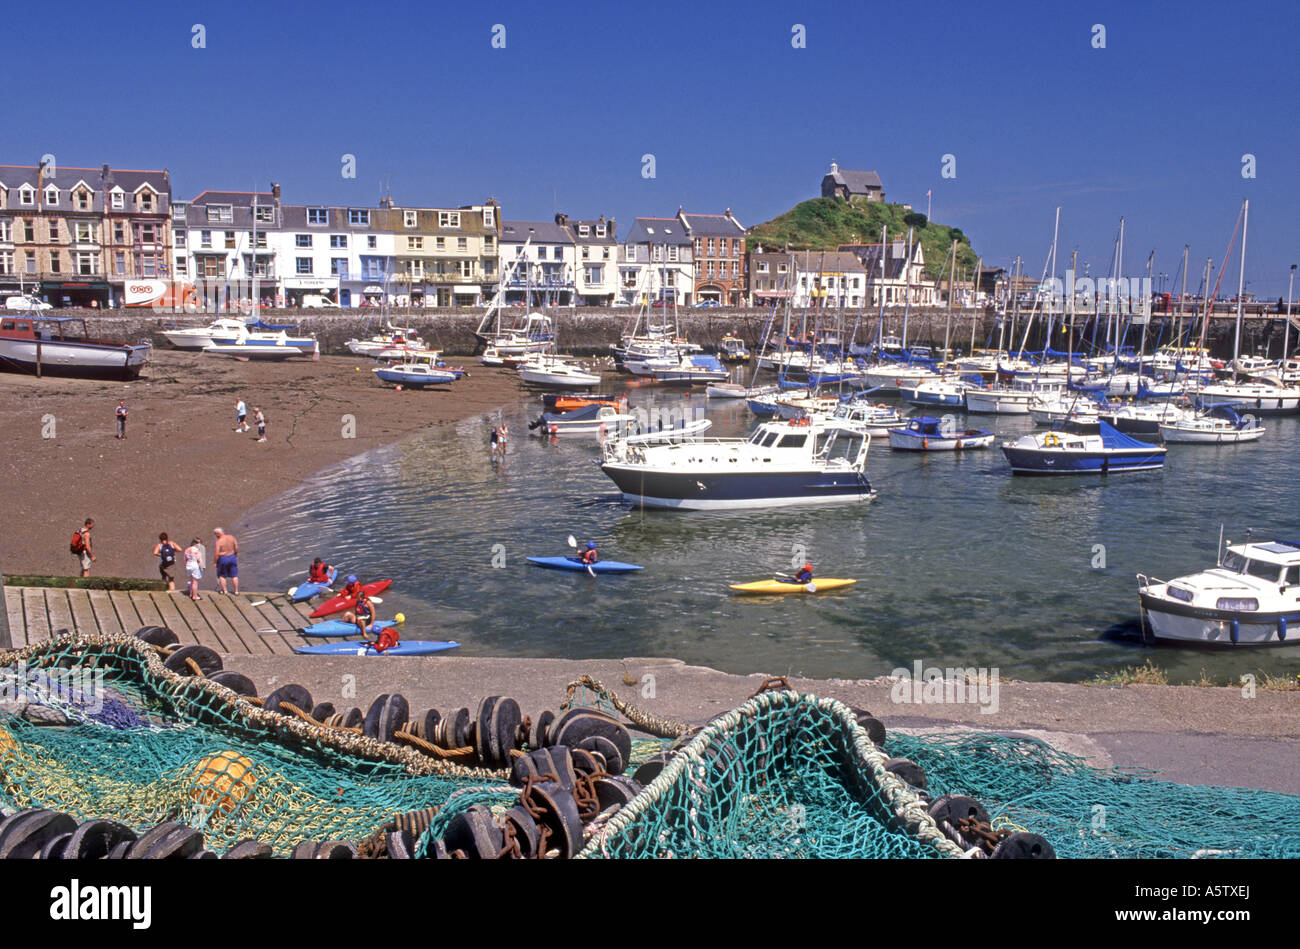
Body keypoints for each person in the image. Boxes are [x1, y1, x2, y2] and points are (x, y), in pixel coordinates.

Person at [212, 528, 239, 594]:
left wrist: (215, 562)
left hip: (223, 558)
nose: (215, 536)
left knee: (222, 575)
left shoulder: (219, 541)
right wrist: (236, 554)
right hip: (232, 556)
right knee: (234, 575)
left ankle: (225, 591)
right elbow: (236, 547)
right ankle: (236, 591)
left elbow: (216, 553)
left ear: (218, 533)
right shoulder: (231, 537)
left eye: (215, 534)